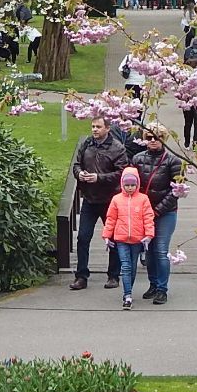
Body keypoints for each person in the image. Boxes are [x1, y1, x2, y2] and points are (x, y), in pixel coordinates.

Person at [69, 117, 128, 290]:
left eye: (98, 127)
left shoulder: (117, 148)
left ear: (107, 128)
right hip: (89, 198)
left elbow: (122, 173)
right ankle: (81, 276)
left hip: (110, 200)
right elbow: (77, 164)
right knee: (83, 237)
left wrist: (99, 178)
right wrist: (79, 174)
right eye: (93, 126)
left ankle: (113, 275)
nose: (95, 130)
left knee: (113, 238)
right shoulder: (87, 144)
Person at [131, 124, 183, 304]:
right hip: (144, 212)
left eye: (157, 137)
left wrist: (158, 210)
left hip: (166, 212)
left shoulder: (173, 161)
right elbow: (132, 185)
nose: (152, 140)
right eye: (149, 137)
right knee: (149, 251)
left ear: (163, 139)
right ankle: (153, 284)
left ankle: (162, 288)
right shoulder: (137, 159)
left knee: (161, 249)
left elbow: (176, 191)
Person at [102, 167, 155, 310]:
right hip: (121, 239)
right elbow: (111, 219)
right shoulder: (116, 199)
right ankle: (127, 295)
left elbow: (148, 218)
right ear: (122, 184)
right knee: (125, 266)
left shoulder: (143, 199)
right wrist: (107, 235)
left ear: (137, 184)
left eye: (133, 185)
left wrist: (149, 234)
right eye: (127, 185)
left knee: (132, 267)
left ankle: (128, 290)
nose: (130, 188)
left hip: (137, 239)